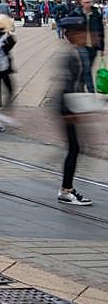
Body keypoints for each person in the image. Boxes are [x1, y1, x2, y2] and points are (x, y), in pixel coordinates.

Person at [56, 20, 93, 205]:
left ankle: (66, 188)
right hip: (67, 107)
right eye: (79, 32)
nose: (83, 35)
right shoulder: (73, 54)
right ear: (71, 36)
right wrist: (69, 111)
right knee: (74, 148)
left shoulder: (79, 51)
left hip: (71, 105)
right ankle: (65, 190)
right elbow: (68, 84)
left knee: (75, 148)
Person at [73, 0, 104, 93]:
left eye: (89, 2)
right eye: (86, 2)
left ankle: (80, 84)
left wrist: (102, 47)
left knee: (88, 67)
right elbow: (68, 26)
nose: (88, 4)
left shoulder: (96, 14)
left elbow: (101, 31)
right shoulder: (76, 13)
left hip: (94, 45)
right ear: (81, 3)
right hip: (82, 45)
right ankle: (91, 91)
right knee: (86, 67)